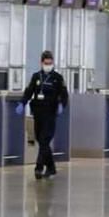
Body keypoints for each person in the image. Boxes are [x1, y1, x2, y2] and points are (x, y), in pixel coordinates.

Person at [18, 50, 69, 179]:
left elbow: (64, 95)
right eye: (46, 63)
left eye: (50, 63)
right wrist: (22, 103)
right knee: (40, 141)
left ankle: (39, 167)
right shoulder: (36, 77)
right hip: (38, 113)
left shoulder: (57, 78)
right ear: (42, 63)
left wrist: (62, 105)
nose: (48, 65)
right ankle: (51, 168)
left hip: (50, 114)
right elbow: (29, 91)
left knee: (45, 140)